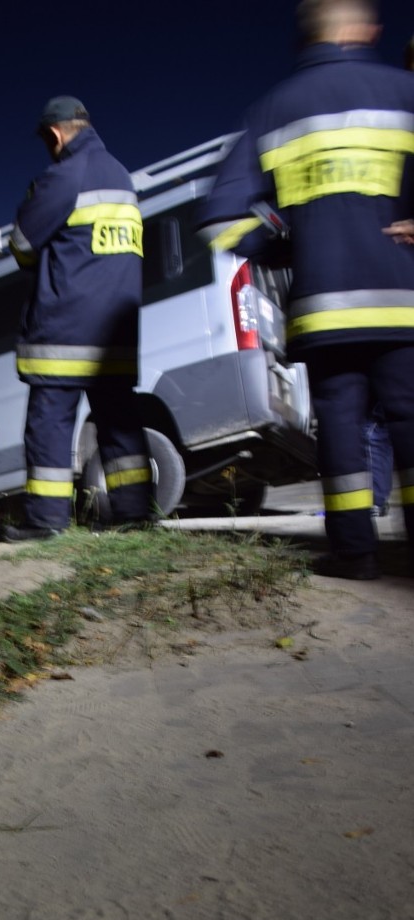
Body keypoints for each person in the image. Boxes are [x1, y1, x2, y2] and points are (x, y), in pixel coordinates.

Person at [200, 0, 414, 580]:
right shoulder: (402, 91)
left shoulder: (272, 109)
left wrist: (287, 244)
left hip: (323, 308)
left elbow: (222, 221)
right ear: (359, 30)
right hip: (404, 301)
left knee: (341, 429)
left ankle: (355, 552)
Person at [4, 95, 151, 541]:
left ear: (54, 134)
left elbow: (23, 246)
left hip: (66, 329)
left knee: (49, 425)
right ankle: (136, 514)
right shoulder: (121, 176)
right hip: (116, 333)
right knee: (120, 426)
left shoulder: (64, 175)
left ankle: (47, 521)